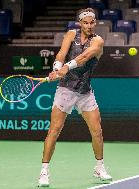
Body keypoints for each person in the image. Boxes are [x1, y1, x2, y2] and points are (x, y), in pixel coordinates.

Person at [38, 8, 112, 187]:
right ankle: (44, 172)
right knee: (54, 131)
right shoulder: (71, 34)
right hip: (65, 90)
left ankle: (99, 167)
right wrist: (57, 68)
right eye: (85, 22)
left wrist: (66, 68)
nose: (89, 25)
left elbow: (85, 57)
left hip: (85, 92)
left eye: (92, 22)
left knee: (97, 131)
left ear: (95, 23)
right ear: (80, 23)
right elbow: (62, 54)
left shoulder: (98, 41)